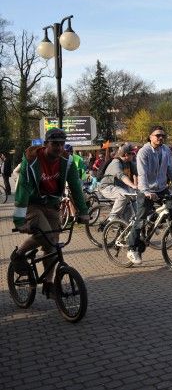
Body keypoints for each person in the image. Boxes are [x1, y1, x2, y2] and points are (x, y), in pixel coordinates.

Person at [11, 128, 89, 298]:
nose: (59, 148)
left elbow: (75, 185)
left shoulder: (66, 162)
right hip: (32, 204)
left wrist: (83, 211)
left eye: (62, 144)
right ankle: (18, 255)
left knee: (52, 244)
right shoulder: (32, 160)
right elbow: (23, 188)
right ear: (46, 144)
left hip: (52, 204)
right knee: (45, 234)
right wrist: (19, 220)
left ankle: (48, 282)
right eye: (55, 144)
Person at [126, 125, 172, 265]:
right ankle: (132, 248)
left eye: (163, 136)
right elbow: (142, 174)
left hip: (161, 188)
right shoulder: (143, 152)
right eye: (157, 135)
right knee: (140, 219)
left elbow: (171, 170)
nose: (160, 138)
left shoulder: (165, 150)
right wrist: (146, 192)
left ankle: (151, 222)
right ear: (150, 137)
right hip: (145, 190)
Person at [98, 143, 138, 221]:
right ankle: (113, 217)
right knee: (123, 196)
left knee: (132, 200)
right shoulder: (116, 162)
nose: (134, 155)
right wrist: (133, 185)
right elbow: (121, 176)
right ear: (126, 154)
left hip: (120, 187)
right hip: (107, 187)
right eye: (133, 153)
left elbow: (139, 173)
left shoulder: (130, 163)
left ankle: (124, 225)